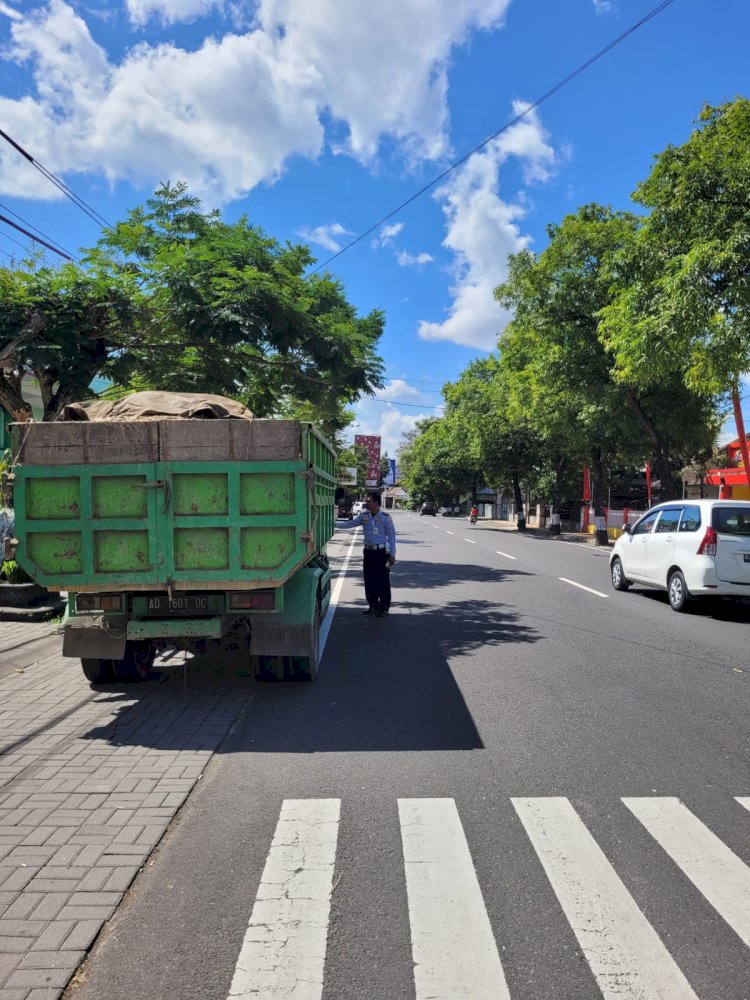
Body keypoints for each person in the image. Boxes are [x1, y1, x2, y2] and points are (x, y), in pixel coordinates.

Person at [339, 490, 396, 617]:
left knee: (383, 581)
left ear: (376, 503)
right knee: (369, 579)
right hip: (368, 552)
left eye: (369, 501)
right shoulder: (364, 516)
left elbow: (391, 537)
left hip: (381, 553)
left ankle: (384, 608)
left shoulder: (385, 518)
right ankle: (373, 605)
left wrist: (392, 555)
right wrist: (333, 525)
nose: (367, 503)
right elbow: (350, 524)